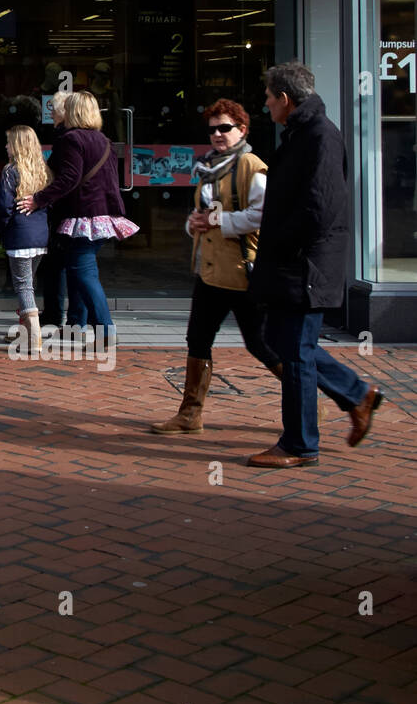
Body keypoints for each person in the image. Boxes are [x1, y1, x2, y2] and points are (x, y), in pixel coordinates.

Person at [246, 63, 383, 468]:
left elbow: (319, 209)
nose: (266, 104)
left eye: (270, 97)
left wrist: (282, 246)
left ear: (285, 99)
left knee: (297, 352)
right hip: (295, 264)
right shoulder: (303, 134)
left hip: (305, 266)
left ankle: (300, 443)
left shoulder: (319, 137)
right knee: (285, 342)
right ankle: (357, 395)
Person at [151, 101, 283, 434]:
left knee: (261, 344)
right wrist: (193, 225)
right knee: (197, 338)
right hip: (210, 270)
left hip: (241, 271)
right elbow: (201, 215)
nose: (218, 134)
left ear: (242, 129)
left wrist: (216, 220)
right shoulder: (210, 166)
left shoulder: (251, 165)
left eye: (225, 127)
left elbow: (263, 215)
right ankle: (189, 413)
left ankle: (307, 401)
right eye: (212, 128)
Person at [20, 90, 137, 341]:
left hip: (83, 215)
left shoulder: (71, 139)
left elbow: (69, 178)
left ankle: (105, 329)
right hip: (103, 216)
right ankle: (77, 325)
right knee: (82, 270)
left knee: (82, 272)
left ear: (73, 112)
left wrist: (39, 199)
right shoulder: (103, 140)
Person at [0, 124, 51, 354]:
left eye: (9, 142)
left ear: (18, 146)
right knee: (29, 282)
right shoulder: (43, 170)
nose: (6, 146)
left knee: (23, 286)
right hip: (40, 237)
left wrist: (1, 230)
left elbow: (4, 207)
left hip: (19, 237)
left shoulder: (10, 171)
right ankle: (26, 332)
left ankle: (34, 336)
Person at [36, 90, 71, 327]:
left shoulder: (66, 138)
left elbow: (64, 177)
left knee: (59, 265)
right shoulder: (74, 136)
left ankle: (55, 313)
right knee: (61, 265)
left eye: (53, 108)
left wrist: (40, 198)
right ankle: (57, 313)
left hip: (65, 210)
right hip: (68, 209)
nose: (50, 112)